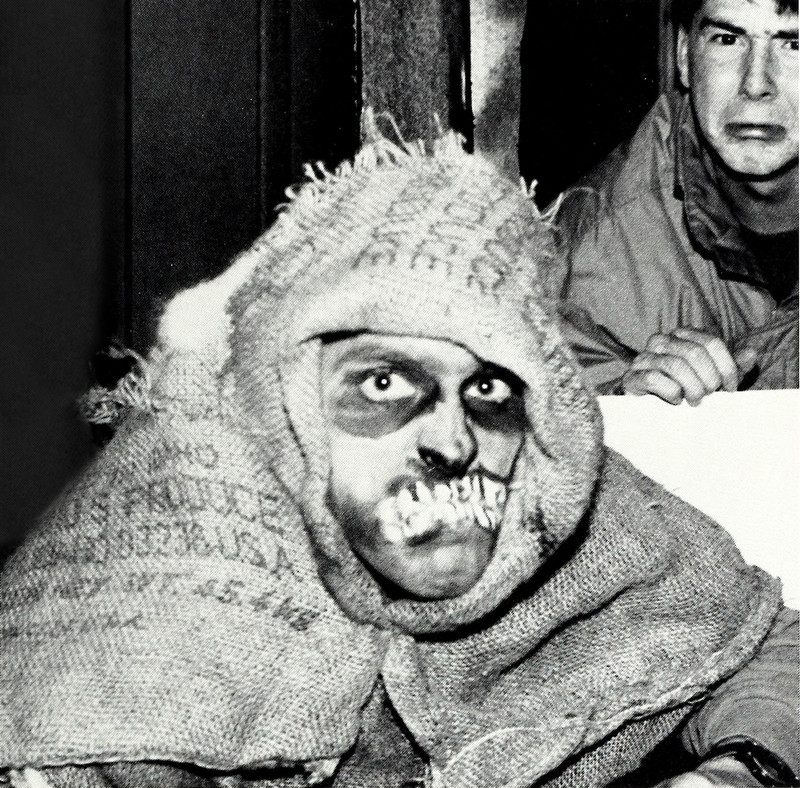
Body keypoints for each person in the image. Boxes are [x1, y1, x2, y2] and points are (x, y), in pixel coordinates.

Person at [0, 131, 797, 788]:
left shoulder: (557, 498)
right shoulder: (165, 591)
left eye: (487, 387)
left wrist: (737, 771)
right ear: (297, 408)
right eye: (385, 384)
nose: (453, 440)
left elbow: (764, 640)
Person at [547, 0, 798, 404]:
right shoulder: (586, 248)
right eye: (727, 39)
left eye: (794, 45)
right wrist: (626, 406)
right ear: (684, 56)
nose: (755, 84)